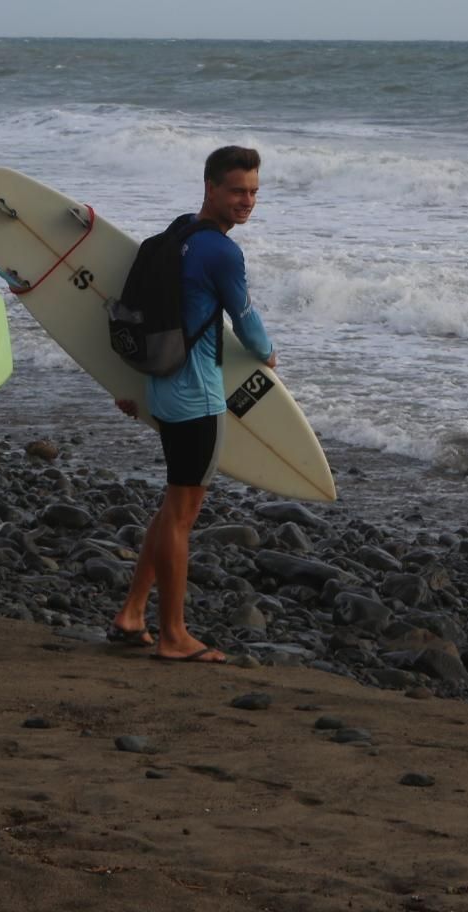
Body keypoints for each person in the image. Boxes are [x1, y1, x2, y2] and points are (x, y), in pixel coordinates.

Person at [112, 145, 275, 663]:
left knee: (171, 507)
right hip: (199, 399)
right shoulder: (223, 252)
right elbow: (246, 322)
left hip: (161, 387)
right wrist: (267, 353)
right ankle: (174, 635)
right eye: (236, 190)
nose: (246, 201)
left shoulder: (178, 232)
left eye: (252, 191)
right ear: (210, 188)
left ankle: (133, 612)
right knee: (182, 516)